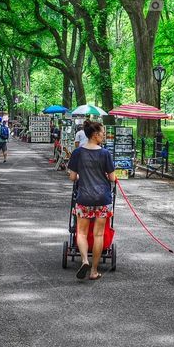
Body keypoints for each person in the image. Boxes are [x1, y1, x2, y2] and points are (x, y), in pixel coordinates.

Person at [67, 120, 117, 281]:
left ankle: (84, 260)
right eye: (102, 133)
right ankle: (94, 270)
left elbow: (72, 177)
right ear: (95, 135)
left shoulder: (77, 153)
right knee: (98, 235)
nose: (104, 136)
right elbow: (112, 177)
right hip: (102, 198)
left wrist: (82, 175)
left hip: (84, 197)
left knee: (81, 232)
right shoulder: (105, 153)